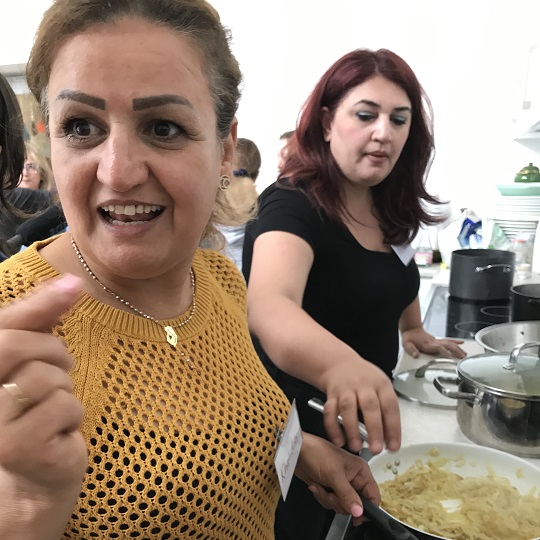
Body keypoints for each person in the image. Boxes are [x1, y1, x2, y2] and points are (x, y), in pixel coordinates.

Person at [0, 2, 381, 539]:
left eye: (163, 127)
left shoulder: (217, 278)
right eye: (82, 126)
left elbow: (227, 418)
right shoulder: (11, 328)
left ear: (225, 148)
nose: (118, 171)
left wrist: (303, 452)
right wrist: (25, 511)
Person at [242, 48, 467, 539]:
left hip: (368, 428)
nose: (383, 132)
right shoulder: (291, 204)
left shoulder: (391, 209)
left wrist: (413, 329)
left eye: (398, 120)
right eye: (366, 115)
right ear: (326, 122)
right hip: (296, 435)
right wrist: (341, 366)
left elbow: (396, 276)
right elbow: (269, 304)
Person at [219, 137, 260, 270]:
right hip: (249, 282)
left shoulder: (208, 203)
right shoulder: (268, 206)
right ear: (256, 174)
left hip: (211, 281)